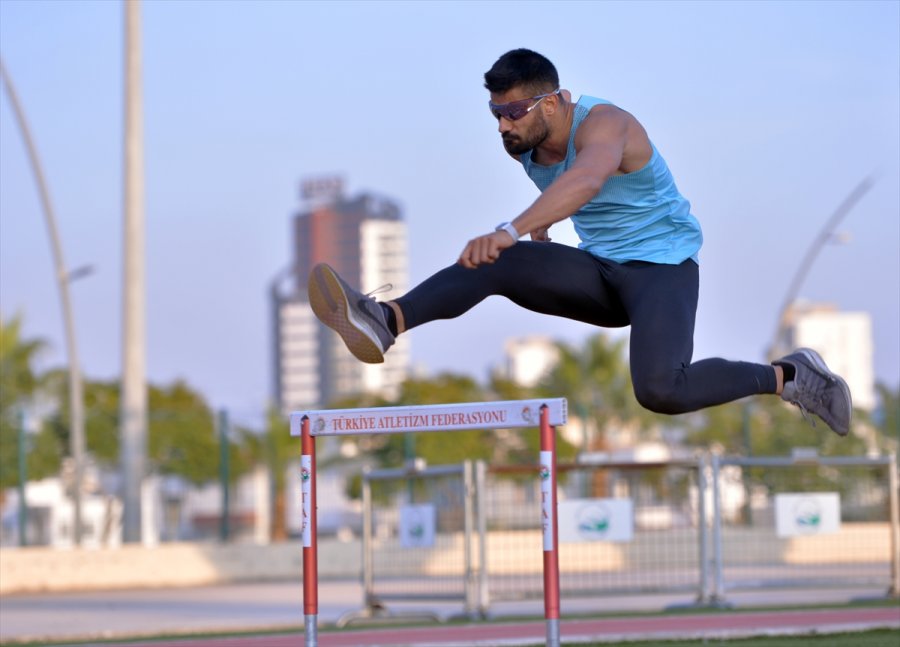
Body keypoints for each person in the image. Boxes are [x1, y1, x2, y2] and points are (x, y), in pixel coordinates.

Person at [308, 48, 852, 437]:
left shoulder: (607, 123)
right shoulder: (525, 148)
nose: (503, 127)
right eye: (496, 115)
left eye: (514, 113)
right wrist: (538, 231)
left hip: (662, 272)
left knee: (661, 390)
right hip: (601, 274)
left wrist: (512, 228)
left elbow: (588, 180)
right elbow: (572, 196)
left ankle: (791, 376)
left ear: (553, 101)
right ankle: (386, 320)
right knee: (498, 262)